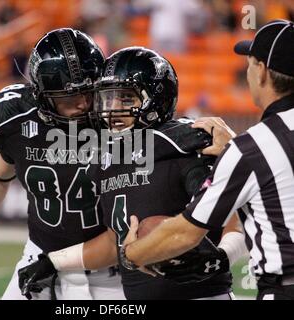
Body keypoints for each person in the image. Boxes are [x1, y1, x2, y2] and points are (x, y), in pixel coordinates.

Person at [19, 47, 248, 300]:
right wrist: (55, 261)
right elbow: (114, 241)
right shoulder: (108, 158)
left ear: (155, 100)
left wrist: (222, 257)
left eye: (126, 99)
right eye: (108, 98)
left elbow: (233, 216)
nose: (112, 110)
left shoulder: (184, 146)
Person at [0, 28, 125, 300]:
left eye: (89, 92)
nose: (83, 103)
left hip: (112, 272)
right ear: (42, 95)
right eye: (69, 97)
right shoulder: (17, 121)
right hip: (38, 260)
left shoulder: (122, 126)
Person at [123, 20, 294, 300]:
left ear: (261, 72)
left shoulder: (251, 149)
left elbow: (184, 233)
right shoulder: (250, 148)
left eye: (250, 63)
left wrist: (132, 255)